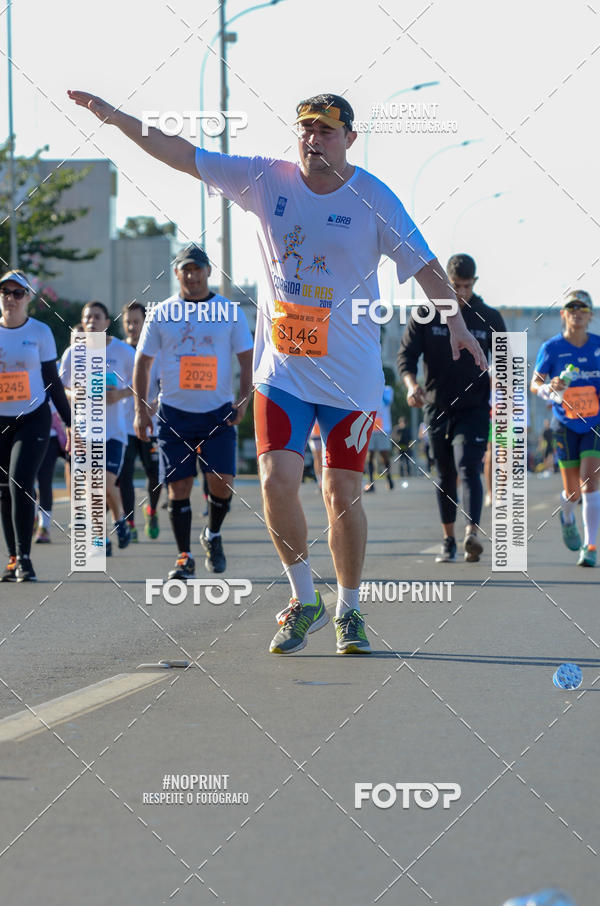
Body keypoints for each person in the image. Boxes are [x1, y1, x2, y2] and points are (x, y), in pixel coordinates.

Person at [68, 88, 487, 655]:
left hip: (351, 378)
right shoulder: (265, 179)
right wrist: (118, 120)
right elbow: (180, 151)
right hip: (283, 373)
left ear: (350, 139)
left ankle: (350, 609)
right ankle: (302, 596)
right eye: (306, 130)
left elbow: (425, 265)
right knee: (275, 480)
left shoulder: (374, 199)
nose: (314, 140)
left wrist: (457, 323)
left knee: (341, 492)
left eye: (327, 131)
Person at [133, 244, 253, 579]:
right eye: (186, 269)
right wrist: (141, 410)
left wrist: (243, 402)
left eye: (198, 268)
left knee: (222, 484)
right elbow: (142, 363)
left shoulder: (229, 311)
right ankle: (184, 557)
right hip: (174, 414)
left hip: (217, 412)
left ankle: (212, 534)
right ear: (177, 273)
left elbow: (247, 361)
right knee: (179, 487)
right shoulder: (161, 313)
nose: (192, 275)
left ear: (208, 271)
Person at [398, 253, 506, 563]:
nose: (461, 292)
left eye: (467, 286)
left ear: (475, 283)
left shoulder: (489, 317)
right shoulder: (426, 314)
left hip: (473, 409)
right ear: (445, 282)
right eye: (455, 286)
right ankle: (449, 539)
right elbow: (406, 356)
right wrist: (411, 386)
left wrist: (503, 394)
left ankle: (471, 532)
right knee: (444, 475)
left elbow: (506, 362)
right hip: (436, 407)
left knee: (468, 466)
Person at [0, 270, 71, 581]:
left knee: (20, 482)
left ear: (28, 298)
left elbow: (53, 383)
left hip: (33, 418)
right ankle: (13, 558)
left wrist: (71, 424)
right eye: (5, 291)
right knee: (3, 489)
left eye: (18, 293)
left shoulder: (40, 332)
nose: (10, 298)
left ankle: (26, 558)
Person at [531, 290, 600, 567]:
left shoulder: (597, 346)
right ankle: (567, 515)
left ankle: (591, 545)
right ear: (563, 314)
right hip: (565, 423)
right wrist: (549, 387)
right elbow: (534, 384)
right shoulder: (551, 348)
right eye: (571, 307)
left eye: (583, 308)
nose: (577, 312)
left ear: (590, 315)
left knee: (590, 482)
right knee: (572, 491)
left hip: (595, 423)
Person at [60, 301, 134, 556]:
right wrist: (74, 392)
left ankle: (120, 518)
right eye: (87, 317)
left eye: (97, 317)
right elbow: (60, 388)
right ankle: (101, 541)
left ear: (106, 322)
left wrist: (121, 394)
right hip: (83, 430)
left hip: (113, 432)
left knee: (105, 483)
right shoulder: (73, 353)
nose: (91, 322)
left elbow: (142, 384)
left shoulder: (124, 352)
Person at [117, 302, 162, 540]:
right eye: (128, 322)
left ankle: (152, 510)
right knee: (124, 475)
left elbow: (165, 382)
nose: (132, 327)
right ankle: (130, 521)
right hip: (124, 426)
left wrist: (155, 404)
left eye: (137, 322)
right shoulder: (117, 352)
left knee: (155, 474)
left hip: (152, 424)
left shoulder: (156, 352)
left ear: (145, 323)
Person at [34, 403, 68, 543]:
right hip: (23, 437)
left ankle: (44, 527)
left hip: (50, 438)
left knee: (44, 481)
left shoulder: (50, 381)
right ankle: (32, 516)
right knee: (24, 481)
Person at [364, 385, 394, 492]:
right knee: (369, 456)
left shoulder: (387, 390)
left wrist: (377, 389)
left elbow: (386, 402)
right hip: (370, 428)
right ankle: (371, 483)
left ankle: (389, 478)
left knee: (384, 455)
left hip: (383, 428)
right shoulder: (368, 389)